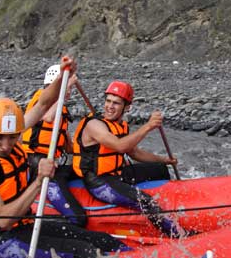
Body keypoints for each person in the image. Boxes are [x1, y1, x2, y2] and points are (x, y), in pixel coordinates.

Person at [0, 57, 211, 258]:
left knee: (101, 239)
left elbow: (42, 104)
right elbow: (3, 220)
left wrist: (63, 77)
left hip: (25, 228)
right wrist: (40, 180)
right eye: (0, 139)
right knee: (85, 252)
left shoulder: (10, 135)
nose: (7, 145)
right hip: (1, 242)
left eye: (12, 137)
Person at [72, 80, 182, 237]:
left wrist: (163, 160)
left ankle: (175, 201)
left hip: (117, 173)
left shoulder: (121, 125)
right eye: (108, 101)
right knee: (145, 201)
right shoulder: (94, 125)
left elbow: (134, 153)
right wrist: (148, 126)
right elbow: (120, 146)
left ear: (127, 107)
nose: (110, 106)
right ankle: (175, 235)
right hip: (99, 182)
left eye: (116, 103)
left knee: (160, 169)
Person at [21, 64, 86, 226]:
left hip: (53, 164)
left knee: (85, 168)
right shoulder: (41, 99)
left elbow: (68, 147)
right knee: (78, 218)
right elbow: (48, 117)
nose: (70, 93)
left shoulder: (61, 110)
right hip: (37, 164)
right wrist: (66, 87)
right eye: (66, 89)